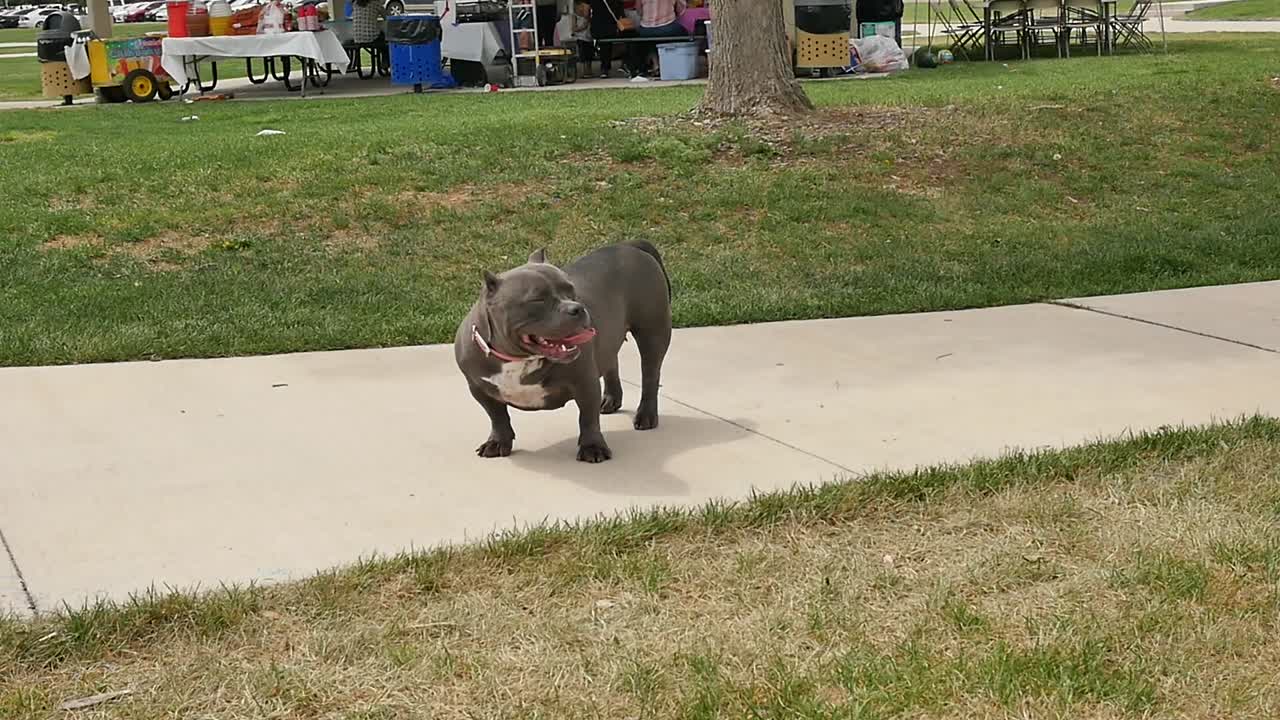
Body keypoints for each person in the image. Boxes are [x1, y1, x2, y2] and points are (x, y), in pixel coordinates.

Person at [628, 0, 686, 80]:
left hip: (646, 29)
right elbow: (681, 10)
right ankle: (673, 63)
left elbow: (639, 11)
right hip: (667, 27)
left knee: (650, 38)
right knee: (685, 34)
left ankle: (656, 64)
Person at [588, 0, 628, 78]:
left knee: (604, 46)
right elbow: (620, 11)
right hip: (611, 26)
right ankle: (625, 63)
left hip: (598, 26)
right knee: (625, 42)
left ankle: (605, 68)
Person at [571, 2, 595, 74]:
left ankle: (589, 70)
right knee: (582, 55)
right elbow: (574, 28)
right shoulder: (575, 16)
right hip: (580, 38)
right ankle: (583, 71)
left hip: (589, 38)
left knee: (589, 55)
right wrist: (582, 27)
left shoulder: (588, 17)